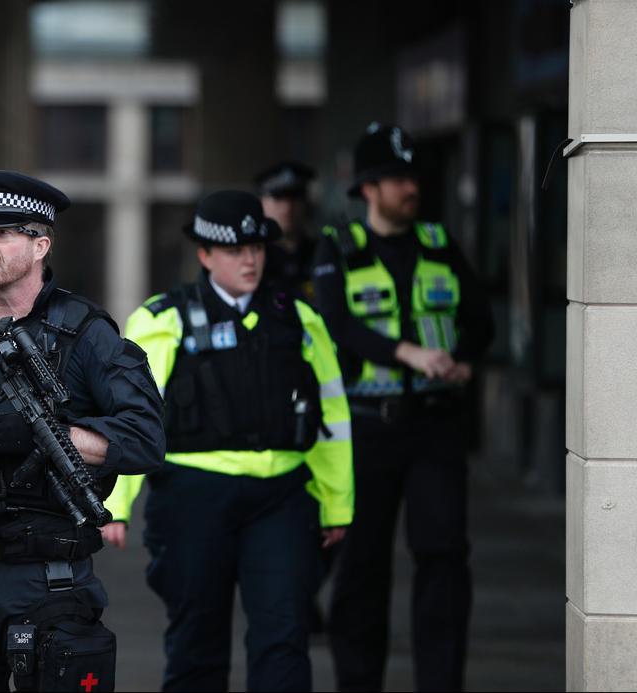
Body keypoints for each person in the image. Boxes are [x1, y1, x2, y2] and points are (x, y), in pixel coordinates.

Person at [0, 169, 165, 692]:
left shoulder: (85, 332)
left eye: (2, 233)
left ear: (40, 246)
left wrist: (46, 435)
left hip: (45, 577)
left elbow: (144, 437)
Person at [102, 190, 354, 692]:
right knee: (197, 640)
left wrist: (336, 502)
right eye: (236, 250)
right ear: (205, 254)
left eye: (257, 248)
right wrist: (116, 501)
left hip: (281, 498)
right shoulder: (163, 320)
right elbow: (129, 417)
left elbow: (332, 417)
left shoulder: (300, 320)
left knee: (284, 636)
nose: (250, 259)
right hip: (193, 498)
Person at [313, 122, 494, 692]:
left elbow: (481, 321)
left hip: (436, 428)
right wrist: (406, 352)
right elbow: (337, 327)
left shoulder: (441, 243)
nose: (408, 187)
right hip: (369, 430)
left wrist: (462, 358)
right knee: (362, 567)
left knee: (443, 560)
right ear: (368, 187)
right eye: (396, 178)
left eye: (412, 175)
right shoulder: (338, 246)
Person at [256, 161, 318, 300]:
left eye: (295, 198)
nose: (287, 208)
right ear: (261, 202)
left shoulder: (323, 252)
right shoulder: (251, 259)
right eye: (278, 198)